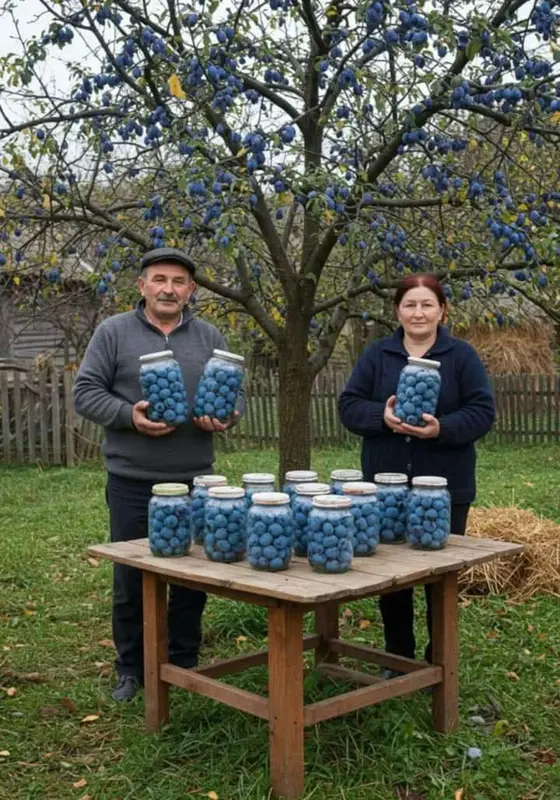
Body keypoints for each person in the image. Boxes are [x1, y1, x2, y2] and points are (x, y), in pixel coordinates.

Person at [73, 247, 241, 701]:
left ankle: (183, 662)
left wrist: (227, 415)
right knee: (132, 579)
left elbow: (233, 395)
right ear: (142, 285)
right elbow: (85, 392)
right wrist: (129, 415)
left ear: (191, 290)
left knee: (192, 578)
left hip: (195, 479)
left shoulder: (209, 335)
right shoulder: (113, 332)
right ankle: (132, 668)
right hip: (133, 479)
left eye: (178, 282)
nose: (169, 289)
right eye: (160, 279)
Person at [338, 273, 495, 674]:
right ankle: (398, 656)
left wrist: (442, 428)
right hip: (385, 488)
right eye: (410, 304)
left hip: (445, 488)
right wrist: (382, 416)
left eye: (427, 304)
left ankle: (439, 660)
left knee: (440, 577)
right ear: (398, 311)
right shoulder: (379, 354)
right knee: (391, 577)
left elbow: (482, 412)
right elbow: (349, 405)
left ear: (442, 311)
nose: (418, 312)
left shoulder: (461, 356)